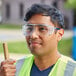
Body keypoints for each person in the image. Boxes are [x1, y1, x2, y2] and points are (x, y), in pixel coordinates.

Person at [0, 4, 76, 76]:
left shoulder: (72, 70)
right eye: (29, 28)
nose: (33, 35)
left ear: (59, 34)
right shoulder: (14, 69)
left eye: (42, 29)